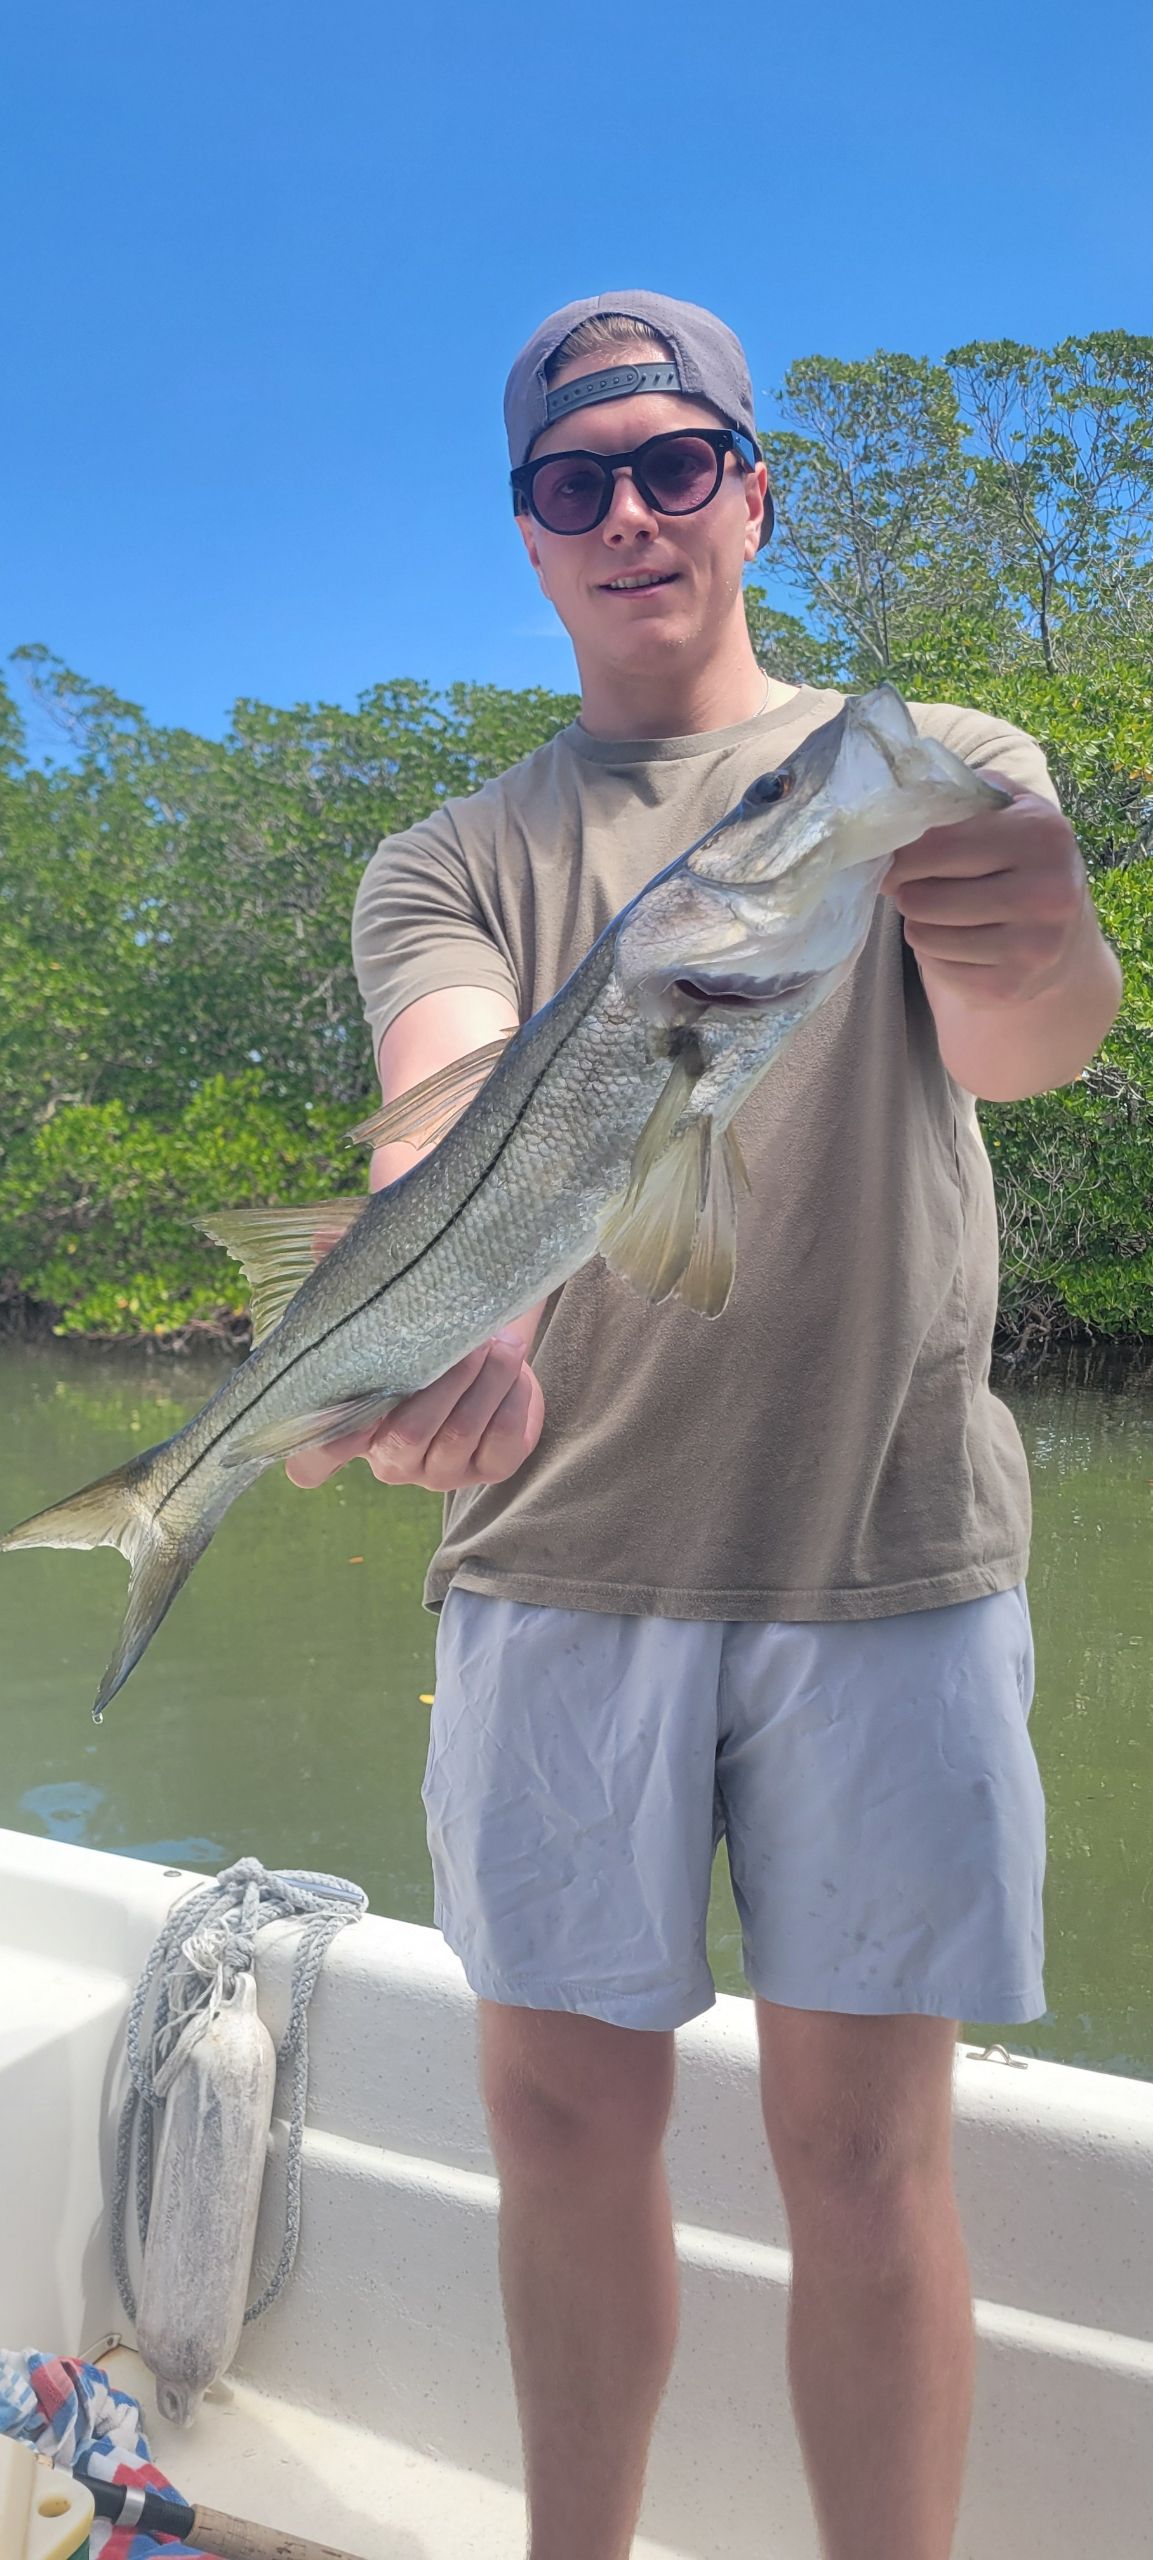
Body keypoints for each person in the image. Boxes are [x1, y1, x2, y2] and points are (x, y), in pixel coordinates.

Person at [288, 291, 1123, 2560]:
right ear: (531, 540)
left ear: (752, 491)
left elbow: (1034, 1032)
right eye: (579, 484)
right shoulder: (445, 855)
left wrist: (1039, 923)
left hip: (892, 1553)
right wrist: (407, 1336)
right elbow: (435, 1109)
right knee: (560, 2122)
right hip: (556, 1556)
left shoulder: (932, 754)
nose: (634, 512)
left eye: (678, 464)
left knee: (868, 2154)